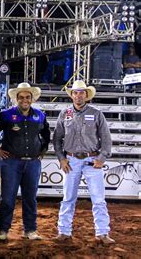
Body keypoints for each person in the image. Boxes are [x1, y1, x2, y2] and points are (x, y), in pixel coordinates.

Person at [53, 80, 115, 244]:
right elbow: (57, 139)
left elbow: (106, 139)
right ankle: (64, 231)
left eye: (81, 92)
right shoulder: (64, 114)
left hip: (92, 160)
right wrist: (62, 158)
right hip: (71, 160)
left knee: (98, 199)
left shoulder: (96, 113)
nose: (78, 95)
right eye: (75, 92)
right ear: (72, 95)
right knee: (68, 198)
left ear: (86, 95)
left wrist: (101, 158)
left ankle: (102, 233)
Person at [0, 83, 50, 241]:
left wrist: (42, 151)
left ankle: (30, 230)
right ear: (16, 99)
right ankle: (3, 230)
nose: (24, 100)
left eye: (27, 97)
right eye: (21, 97)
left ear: (32, 99)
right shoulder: (6, 115)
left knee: (30, 198)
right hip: (11, 162)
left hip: (33, 163)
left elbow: (46, 134)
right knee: (8, 198)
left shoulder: (40, 115)